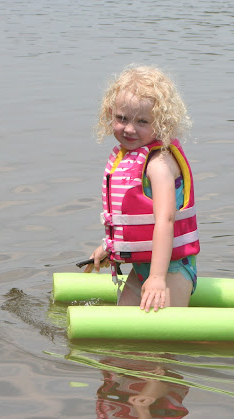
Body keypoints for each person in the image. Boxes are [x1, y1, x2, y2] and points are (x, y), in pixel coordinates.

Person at [84, 65, 199, 313]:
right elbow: (131, 220)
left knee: (161, 333)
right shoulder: (130, 158)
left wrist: (157, 278)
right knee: (122, 327)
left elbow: (165, 221)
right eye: (122, 118)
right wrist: (110, 248)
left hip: (172, 269)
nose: (129, 129)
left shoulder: (159, 164)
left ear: (162, 124)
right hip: (142, 268)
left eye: (142, 121)